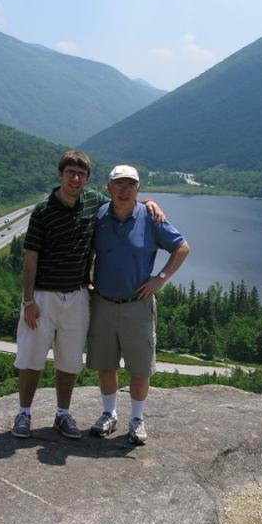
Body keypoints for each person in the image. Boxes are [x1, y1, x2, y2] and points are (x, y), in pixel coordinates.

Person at [12, 151, 163, 439]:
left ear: (88, 180)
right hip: (43, 296)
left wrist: (148, 204)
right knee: (31, 356)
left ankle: (62, 414)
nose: (75, 178)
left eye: (81, 174)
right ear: (60, 175)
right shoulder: (42, 211)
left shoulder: (93, 203)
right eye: (70, 172)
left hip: (79, 295)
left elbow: (123, 203)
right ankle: (24, 413)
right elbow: (30, 258)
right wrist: (28, 301)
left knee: (69, 360)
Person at [87, 164, 190, 445]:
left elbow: (182, 247)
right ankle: (109, 414)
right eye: (118, 184)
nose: (124, 190)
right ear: (109, 188)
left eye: (130, 185)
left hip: (138, 305)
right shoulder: (99, 216)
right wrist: (87, 276)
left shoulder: (151, 217)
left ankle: (137, 420)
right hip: (103, 303)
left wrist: (160, 279)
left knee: (140, 368)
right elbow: (89, 249)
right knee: (105, 364)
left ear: (138, 189)